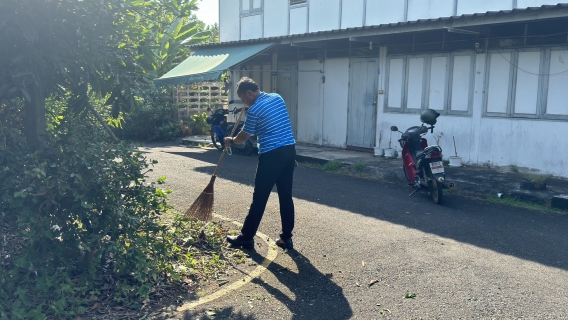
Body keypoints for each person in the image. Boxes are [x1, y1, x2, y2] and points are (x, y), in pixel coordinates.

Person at [224, 77, 296, 250]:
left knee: (260, 198)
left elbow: (243, 137)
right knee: (285, 196)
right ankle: (287, 238)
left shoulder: (255, 110)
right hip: (289, 151)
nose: (243, 102)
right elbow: (268, 125)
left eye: (243, 98)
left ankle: (246, 238)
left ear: (249, 93)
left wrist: (231, 141)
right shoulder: (277, 97)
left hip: (271, 155)